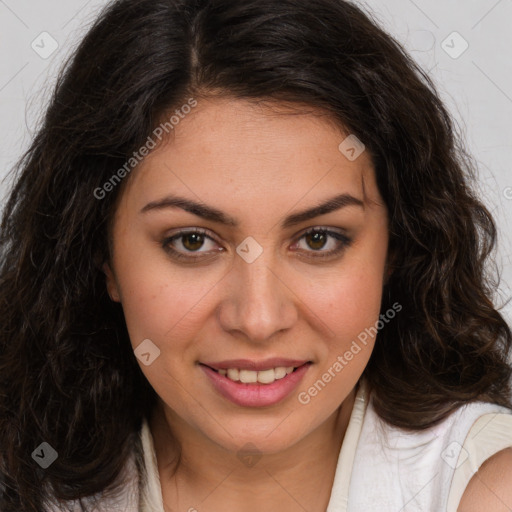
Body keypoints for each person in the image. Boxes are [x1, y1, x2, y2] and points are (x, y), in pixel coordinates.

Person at [1, 0, 511, 510]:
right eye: (192, 241)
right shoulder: (26, 483)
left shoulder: (487, 490)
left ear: (396, 249)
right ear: (102, 255)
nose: (259, 319)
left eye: (318, 239)